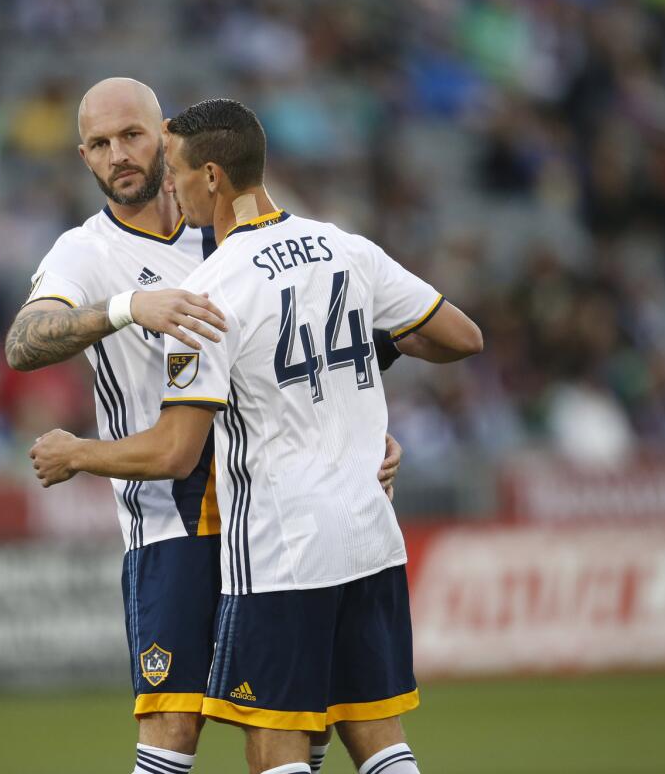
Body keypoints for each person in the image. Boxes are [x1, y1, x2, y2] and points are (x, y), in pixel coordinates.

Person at [29, 98, 483, 774]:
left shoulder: (207, 292)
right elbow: (457, 337)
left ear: (204, 172)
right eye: (99, 143)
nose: (125, 158)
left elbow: (175, 449)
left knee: (273, 739)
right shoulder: (343, 244)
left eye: (143, 143)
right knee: (369, 732)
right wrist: (351, 406)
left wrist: (75, 454)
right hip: (355, 527)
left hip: (273, 532)